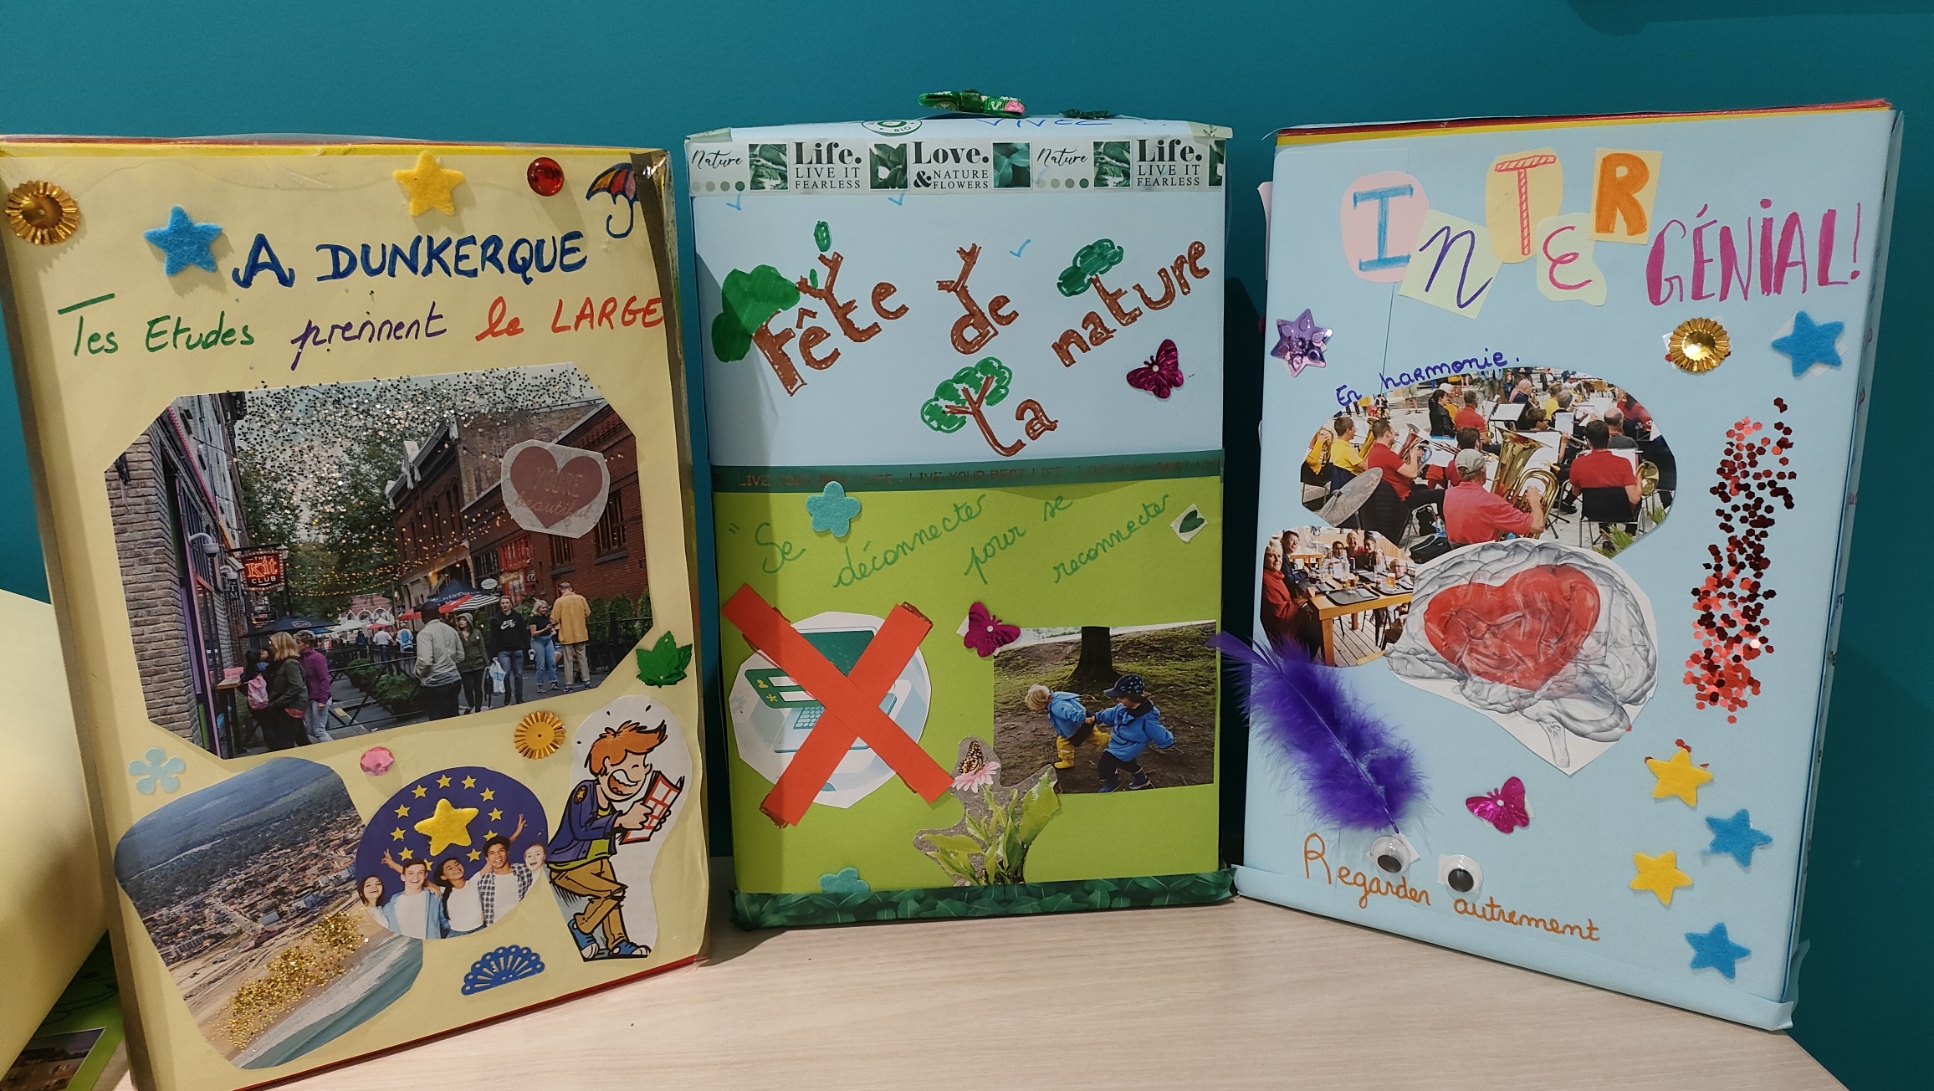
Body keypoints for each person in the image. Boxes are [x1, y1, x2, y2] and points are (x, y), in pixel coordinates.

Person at [547, 720, 668, 959]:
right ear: (607, 764)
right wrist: (621, 820)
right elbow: (582, 828)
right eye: (634, 765)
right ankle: (581, 927)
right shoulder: (585, 791)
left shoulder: (609, 803)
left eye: (642, 765)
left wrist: (641, 824)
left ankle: (618, 942)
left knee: (613, 897)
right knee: (612, 893)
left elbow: (607, 830)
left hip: (599, 861)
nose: (642, 772)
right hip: (569, 865)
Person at [1090, 674, 1175, 793]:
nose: (1118, 700)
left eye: (1121, 697)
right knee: (1126, 762)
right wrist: (1096, 717)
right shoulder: (1122, 708)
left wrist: (1166, 741)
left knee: (1104, 765)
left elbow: (1158, 732)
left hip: (1130, 747)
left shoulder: (1146, 719)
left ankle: (1112, 783)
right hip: (1118, 742)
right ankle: (1141, 779)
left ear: (1133, 697)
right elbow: (1111, 713)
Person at [1443, 448, 1545, 545]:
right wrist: (1534, 501)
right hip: (1485, 555)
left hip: (1456, 553)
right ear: (1483, 469)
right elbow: (1537, 526)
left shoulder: (1449, 494)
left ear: (1459, 472)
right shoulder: (1491, 502)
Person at [1025, 684, 1107, 771]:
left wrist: (1083, 719)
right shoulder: (1057, 696)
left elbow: (1070, 712)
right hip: (1084, 718)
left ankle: (1067, 762)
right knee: (1094, 736)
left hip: (1077, 726)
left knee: (1063, 743)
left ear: (1041, 702)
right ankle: (1112, 740)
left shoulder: (1056, 706)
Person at [473, 822, 535, 928]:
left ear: (507, 853)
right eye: (492, 853)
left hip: (525, 925)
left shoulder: (525, 870)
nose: (497, 856)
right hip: (497, 930)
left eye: (501, 851)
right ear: (487, 859)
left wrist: (516, 834)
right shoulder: (482, 882)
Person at [1569, 419, 1642, 507]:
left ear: (1588, 442)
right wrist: (1639, 479)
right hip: (1621, 512)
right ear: (1609, 438)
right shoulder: (1624, 463)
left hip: (1591, 512)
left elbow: (1575, 492)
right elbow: (1634, 499)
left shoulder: (1578, 463)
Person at [413, 604, 463, 720]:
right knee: (454, 718)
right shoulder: (451, 630)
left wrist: (418, 673)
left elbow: (425, 661)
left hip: (436, 682)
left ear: (423, 617)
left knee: (438, 721)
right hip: (454, 678)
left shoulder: (425, 634)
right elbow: (461, 656)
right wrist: (449, 663)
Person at [379, 855, 447, 940]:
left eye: (420, 873)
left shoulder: (435, 898)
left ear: (425, 875)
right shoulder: (388, 908)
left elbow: (448, 924)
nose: (416, 877)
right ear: (403, 877)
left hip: (431, 947)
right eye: (411, 873)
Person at [262, 631, 309, 751]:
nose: (270, 647)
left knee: (285, 744)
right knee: (302, 740)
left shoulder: (290, 663)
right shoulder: (283, 662)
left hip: (289, 708)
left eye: (272, 644)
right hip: (289, 706)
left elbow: (296, 686)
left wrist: (278, 703)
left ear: (280, 646)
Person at [488, 596, 529, 707]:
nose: (505, 605)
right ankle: (508, 696)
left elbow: (524, 632)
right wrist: (493, 654)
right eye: (503, 603)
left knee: (518, 674)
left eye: (507, 602)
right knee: (505, 674)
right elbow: (493, 638)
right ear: (500, 605)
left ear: (511, 604)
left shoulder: (517, 617)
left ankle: (519, 697)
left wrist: (527, 647)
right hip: (503, 650)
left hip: (517, 648)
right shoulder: (496, 619)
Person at [552, 581, 592, 690]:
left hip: (566, 634)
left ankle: (569, 684)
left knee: (568, 660)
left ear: (561, 590)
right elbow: (587, 612)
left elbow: (554, 618)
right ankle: (587, 681)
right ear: (570, 588)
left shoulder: (559, 601)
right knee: (582, 658)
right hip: (580, 632)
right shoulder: (581, 598)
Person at [295, 630, 333, 745]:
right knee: (311, 730)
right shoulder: (298, 658)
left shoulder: (316, 658)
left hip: (318, 697)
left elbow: (324, 678)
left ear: (306, 644)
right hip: (308, 697)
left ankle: (333, 749)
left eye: (298, 642)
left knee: (319, 730)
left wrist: (323, 699)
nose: (296, 645)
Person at [437, 857, 484, 936]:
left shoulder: (473, 882)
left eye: (457, 864)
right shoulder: (443, 890)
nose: (456, 868)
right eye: (450, 868)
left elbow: (490, 864)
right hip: (457, 934)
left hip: (481, 930)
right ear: (444, 877)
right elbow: (424, 882)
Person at [453, 611, 489, 714]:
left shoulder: (476, 633)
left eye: (463, 620)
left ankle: (478, 707)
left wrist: (487, 662)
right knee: (468, 687)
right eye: (460, 620)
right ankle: (471, 704)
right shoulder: (457, 635)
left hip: (478, 663)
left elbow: (482, 647)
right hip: (463, 665)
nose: (461, 622)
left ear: (469, 621)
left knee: (478, 687)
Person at [528, 599, 560, 692]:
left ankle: (554, 682)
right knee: (540, 664)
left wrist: (552, 631)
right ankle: (540, 684)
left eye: (545, 608)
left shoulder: (546, 617)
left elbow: (550, 627)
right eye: (542, 608)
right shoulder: (533, 619)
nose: (544, 609)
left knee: (552, 662)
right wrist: (545, 629)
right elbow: (533, 633)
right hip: (538, 641)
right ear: (537, 608)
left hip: (548, 639)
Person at [1327, 416, 1366, 489]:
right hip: (1353, 483)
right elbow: (1366, 467)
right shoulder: (1348, 450)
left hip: (1339, 483)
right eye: (1354, 429)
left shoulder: (1334, 445)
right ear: (1348, 430)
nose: (1355, 431)